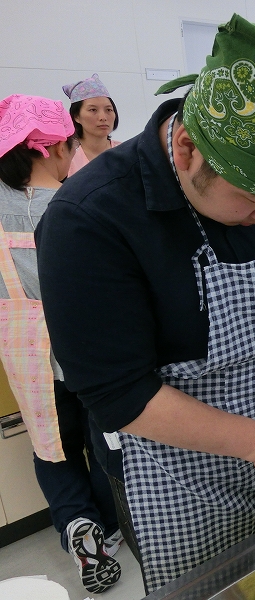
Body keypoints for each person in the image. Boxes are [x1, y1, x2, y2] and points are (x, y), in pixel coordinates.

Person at [35, 15, 255, 593]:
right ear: (185, 149)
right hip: (179, 479)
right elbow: (116, 392)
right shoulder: (89, 218)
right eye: (254, 203)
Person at [0, 94, 122, 593]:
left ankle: (76, 524)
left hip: (26, 351)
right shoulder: (83, 203)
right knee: (107, 441)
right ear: (50, 147)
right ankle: (109, 529)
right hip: (90, 346)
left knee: (52, 444)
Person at [62, 73, 121, 176]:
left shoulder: (127, 152)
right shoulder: (67, 157)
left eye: (108, 110)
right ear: (76, 116)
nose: (103, 117)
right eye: (93, 110)